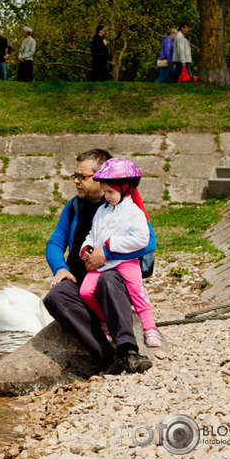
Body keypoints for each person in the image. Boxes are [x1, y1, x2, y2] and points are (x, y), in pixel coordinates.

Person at [43, 149, 155, 374]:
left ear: (101, 177)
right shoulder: (75, 206)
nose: (76, 181)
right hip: (81, 282)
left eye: (82, 177)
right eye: (74, 176)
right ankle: (107, 357)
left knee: (108, 279)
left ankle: (128, 350)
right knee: (55, 296)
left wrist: (106, 254)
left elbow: (148, 242)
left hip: (112, 280)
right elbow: (54, 243)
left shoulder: (126, 202)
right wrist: (61, 268)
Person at [78, 158, 162, 348]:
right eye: (105, 191)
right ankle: (105, 322)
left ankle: (150, 329)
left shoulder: (135, 213)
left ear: (126, 189)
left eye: (111, 192)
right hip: (102, 264)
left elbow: (142, 240)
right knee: (85, 292)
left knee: (137, 292)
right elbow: (93, 234)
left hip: (127, 262)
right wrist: (87, 246)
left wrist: (112, 244)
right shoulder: (102, 211)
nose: (106, 196)